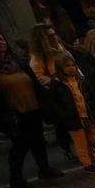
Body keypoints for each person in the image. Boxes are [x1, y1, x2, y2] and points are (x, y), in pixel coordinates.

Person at [0, 27, 64, 188]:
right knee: (20, 144)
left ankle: (44, 169)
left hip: (32, 107)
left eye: (1, 39)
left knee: (38, 140)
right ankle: (16, 178)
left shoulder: (19, 63)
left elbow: (35, 84)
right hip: (13, 113)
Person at [49, 52, 95, 172]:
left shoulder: (80, 80)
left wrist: (94, 109)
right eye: (67, 66)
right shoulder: (57, 84)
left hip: (87, 115)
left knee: (92, 139)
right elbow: (55, 103)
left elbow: (89, 97)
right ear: (60, 68)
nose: (71, 68)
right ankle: (87, 164)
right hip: (73, 118)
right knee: (81, 143)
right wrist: (64, 115)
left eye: (73, 65)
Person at [28, 23, 76, 162]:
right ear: (41, 38)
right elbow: (37, 76)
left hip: (71, 88)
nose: (54, 37)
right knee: (62, 124)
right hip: (57, 94)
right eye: (50, 35)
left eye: (54, 34)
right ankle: (66, 149)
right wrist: (57, 81)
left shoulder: (59, 48)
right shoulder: (38, 57)